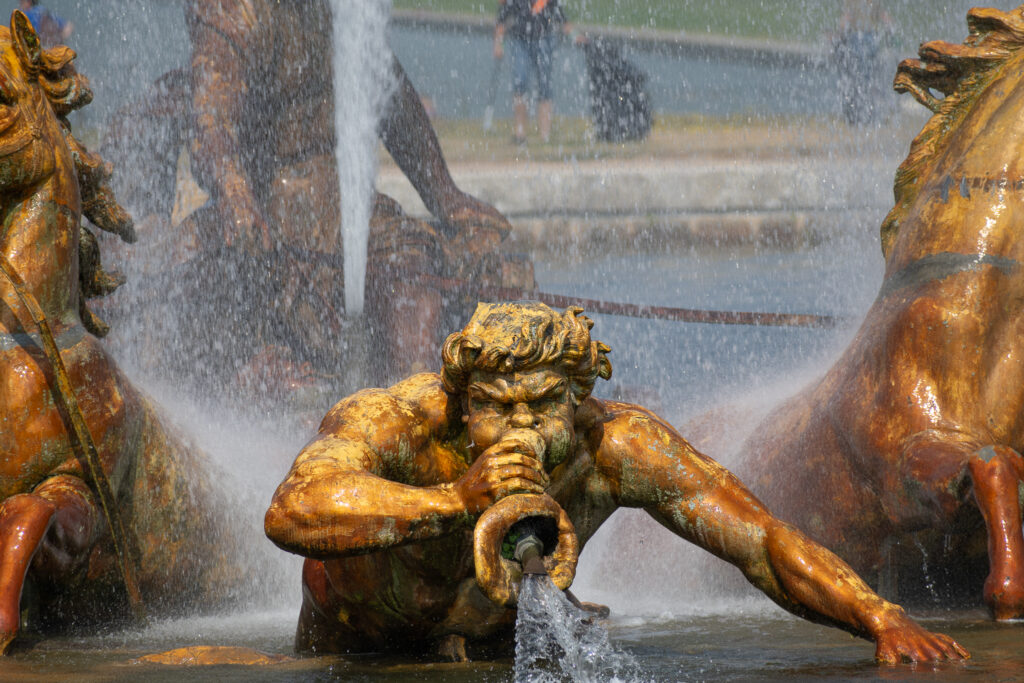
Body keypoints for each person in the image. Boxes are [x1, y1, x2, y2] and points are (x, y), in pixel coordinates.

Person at [264, 301, 969, 664]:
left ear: (578, 397)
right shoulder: (401, 421)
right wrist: (454, 500)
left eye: (539, 405)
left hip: (490, 645)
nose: (517, 426)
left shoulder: (616, 443)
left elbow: (759, 538)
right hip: (358, 651)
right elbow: (291, 509)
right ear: (462, 397)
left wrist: (878, 616)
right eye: (492, 406)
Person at [102, 1, 526, 393]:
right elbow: (211, 123)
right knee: (195, 285)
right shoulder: (235, 10)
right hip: (265, 205)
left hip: (342, 201)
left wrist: (445, 195)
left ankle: (417, 409)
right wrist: (234, 192)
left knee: (409, 268)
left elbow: (388, 92)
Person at [493, 0, 570, 144]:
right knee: (520, 83)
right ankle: (520, 133)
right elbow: (502, 19)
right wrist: (498, 44)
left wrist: (575, 36)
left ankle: (544, 135)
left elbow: (562, 18)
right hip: (520, 40)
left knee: (545, 87)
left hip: (545, 40)